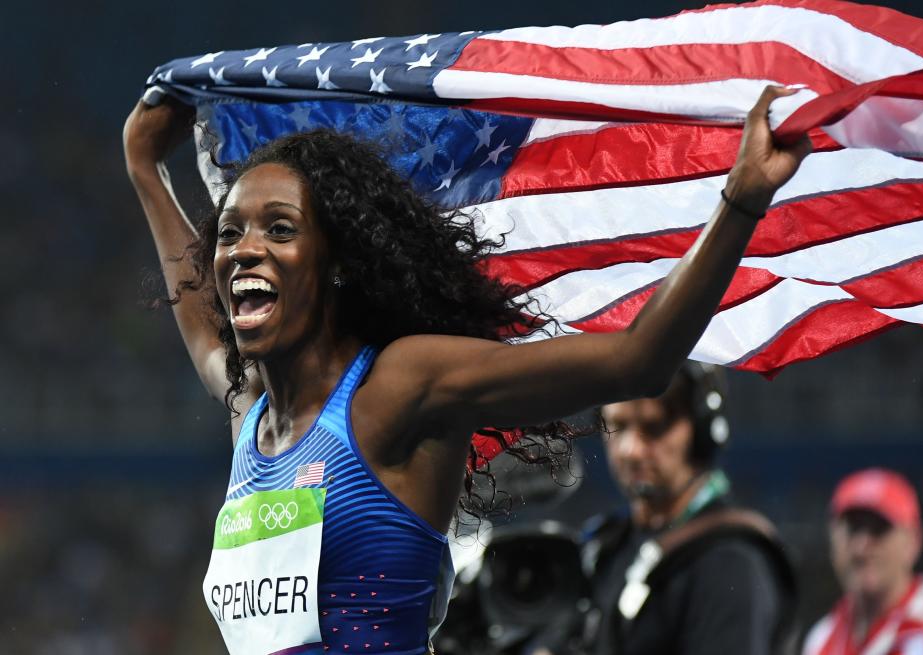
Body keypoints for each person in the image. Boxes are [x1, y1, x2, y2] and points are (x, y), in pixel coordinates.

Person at [122, 84, 810, 655]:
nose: (243, 249)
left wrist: (740, 199)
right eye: (231, 230)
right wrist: (146, 170)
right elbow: (206, 330)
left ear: (335, 266)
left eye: (278, 228)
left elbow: (638, 359)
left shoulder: (394, 391)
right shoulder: (252, 420)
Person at [525, 363, 797, 655]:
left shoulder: (730, 562)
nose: (631, 449)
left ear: (702, 429)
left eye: (653, 428)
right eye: (616, 426)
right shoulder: (606, 546)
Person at [802, 469, 923, 655]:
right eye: (853, 529)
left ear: (913, 540)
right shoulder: (822, 638)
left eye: (879, 529)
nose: (862, 547)